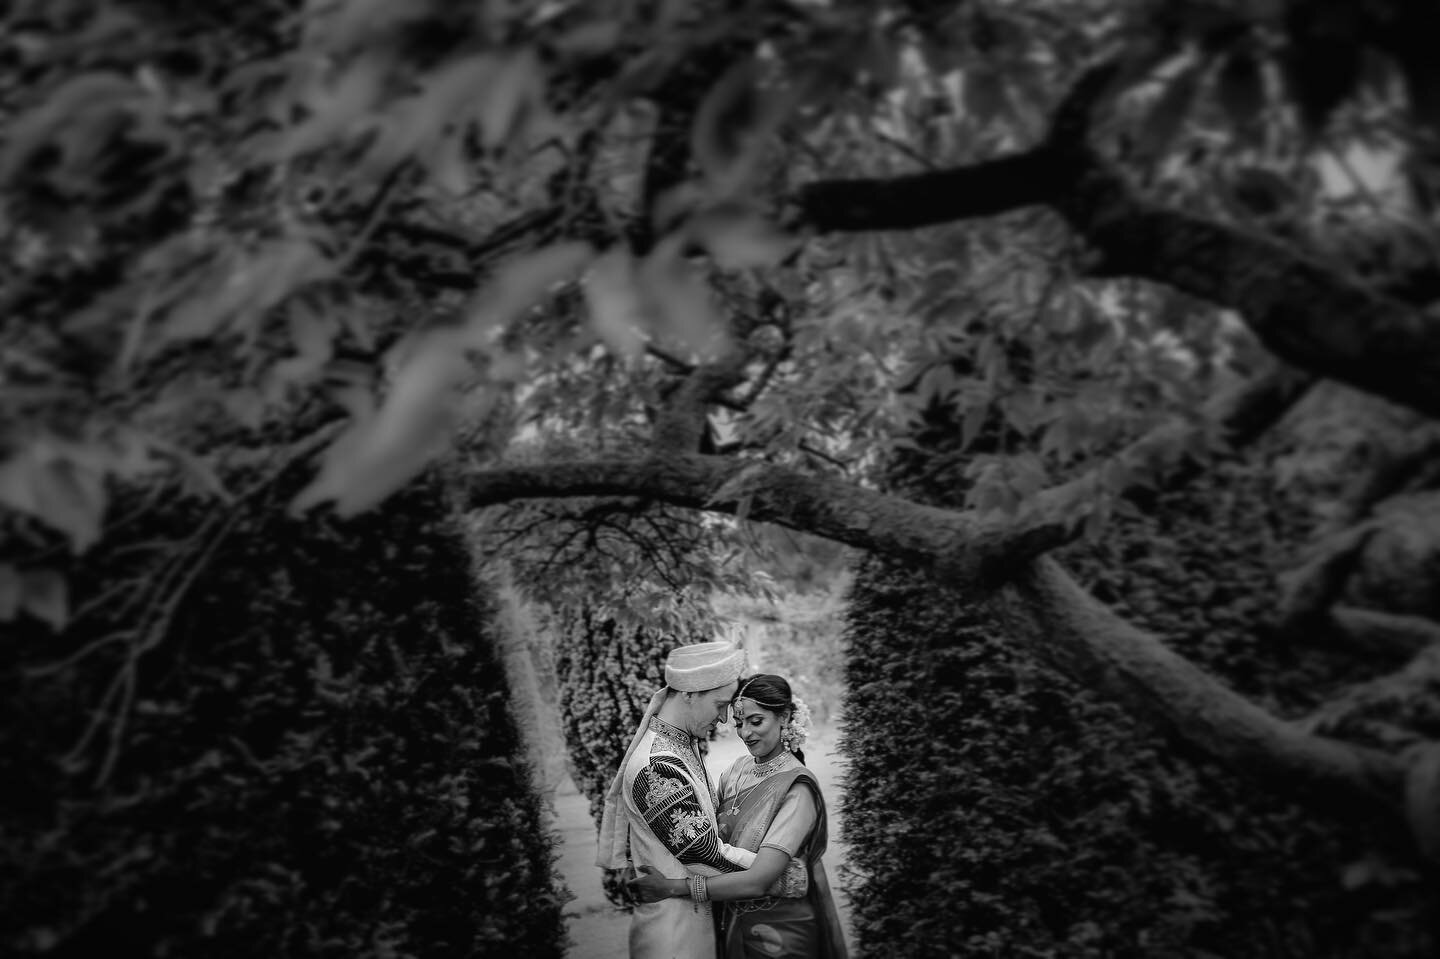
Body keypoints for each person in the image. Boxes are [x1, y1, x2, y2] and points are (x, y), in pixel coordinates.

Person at [598, 641, 799, 959]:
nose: (723, 720)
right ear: (689, 694)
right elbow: (703, 853)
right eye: (720, 705)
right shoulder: (656, 764)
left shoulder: (679, 746)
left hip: (693, 926)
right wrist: (781, 874)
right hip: (674, 938)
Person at [630, 673, 848, 958]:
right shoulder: (735, 771)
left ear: (784, 717)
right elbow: (708, 839)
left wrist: (672, 888)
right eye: (739, 723)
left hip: (780, 933)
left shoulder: (797, 789)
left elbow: (758, 880)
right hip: (732, 922)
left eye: (756, 721)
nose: (745, 733)